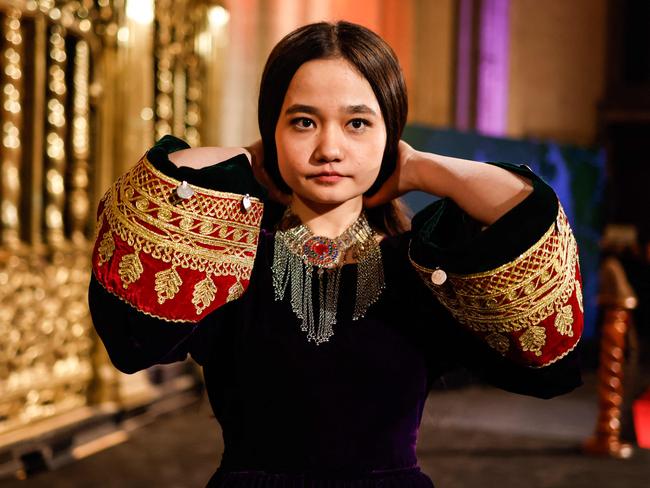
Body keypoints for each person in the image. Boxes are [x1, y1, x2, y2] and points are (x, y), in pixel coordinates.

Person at [89, 21, 583, 487]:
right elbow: (133, 341)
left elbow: (530, 227)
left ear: (391, 134)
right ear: (272, 131)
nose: (329, 147)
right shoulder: (229, 262)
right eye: (303, 122)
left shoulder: (422, 270)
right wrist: (247, 159)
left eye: (358, 124)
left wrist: (424, 168)